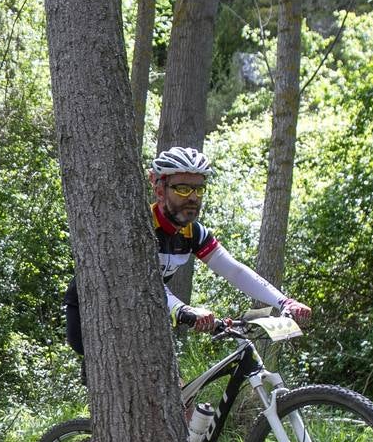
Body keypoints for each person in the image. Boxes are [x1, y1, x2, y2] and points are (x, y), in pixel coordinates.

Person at [64, 145, 311, 363]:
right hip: (93, 311)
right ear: (159, 189)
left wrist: (283, 301)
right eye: (182, 188)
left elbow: (234, 270)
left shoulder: (193, 233)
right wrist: (183, 310)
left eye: (198, 189)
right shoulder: (139, 228)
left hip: (143, 311)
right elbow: (147, 284)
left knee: (176, 397)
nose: (192, 197)